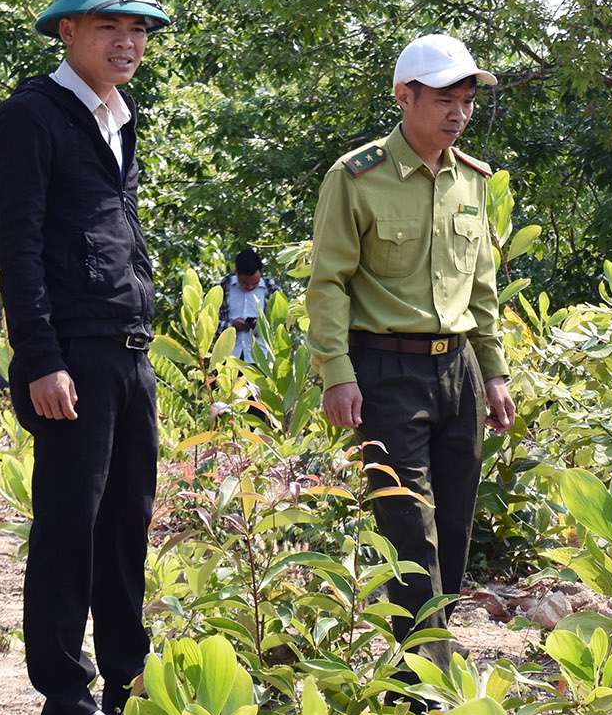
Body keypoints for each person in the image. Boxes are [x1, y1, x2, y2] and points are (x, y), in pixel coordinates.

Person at [0, 0, 171, 715]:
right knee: (69, 523)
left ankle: (127, 687)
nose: (127, 42)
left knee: (127, 521)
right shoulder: (29, 117)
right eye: (109, 26)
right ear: (67, 31)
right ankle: (65, 701)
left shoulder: (122, 117)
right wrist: (39, 357)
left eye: (137, 29)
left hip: (129, 348)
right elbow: (19, 249)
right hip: (72, 355)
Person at [305, 33, 516, 675]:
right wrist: (337, 374)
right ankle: (430, 679)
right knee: (406, 521)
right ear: (405, 96)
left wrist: (495, 372)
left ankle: (417, 663)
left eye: (467, 100)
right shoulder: (355, 177)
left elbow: (481, 289)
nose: (458, 112)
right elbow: (330, 282)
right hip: (385, 369)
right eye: (445, 98)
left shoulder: (472, 181)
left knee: (451, 525)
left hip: (458, 372)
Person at [218, 246, 278, 362]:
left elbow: (279, 323)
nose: (249, 287)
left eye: (254, 283)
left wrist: (260, 325)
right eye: (244, 283)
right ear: (236, 273)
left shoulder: (270, 289)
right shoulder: (224, 287)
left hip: (261, 357)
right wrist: (231, 326)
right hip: (229, 355)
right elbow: (210, 323)